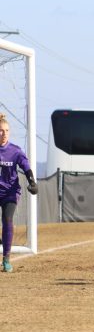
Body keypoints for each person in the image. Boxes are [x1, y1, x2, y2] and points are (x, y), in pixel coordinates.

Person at [0, 114, 38, 273]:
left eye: (6, 130)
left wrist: (32, 182)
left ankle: (6, 259)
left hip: (10, 192)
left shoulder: (15, 151)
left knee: (7, 219)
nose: (4, 134)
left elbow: (26, 166)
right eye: (1, 131)